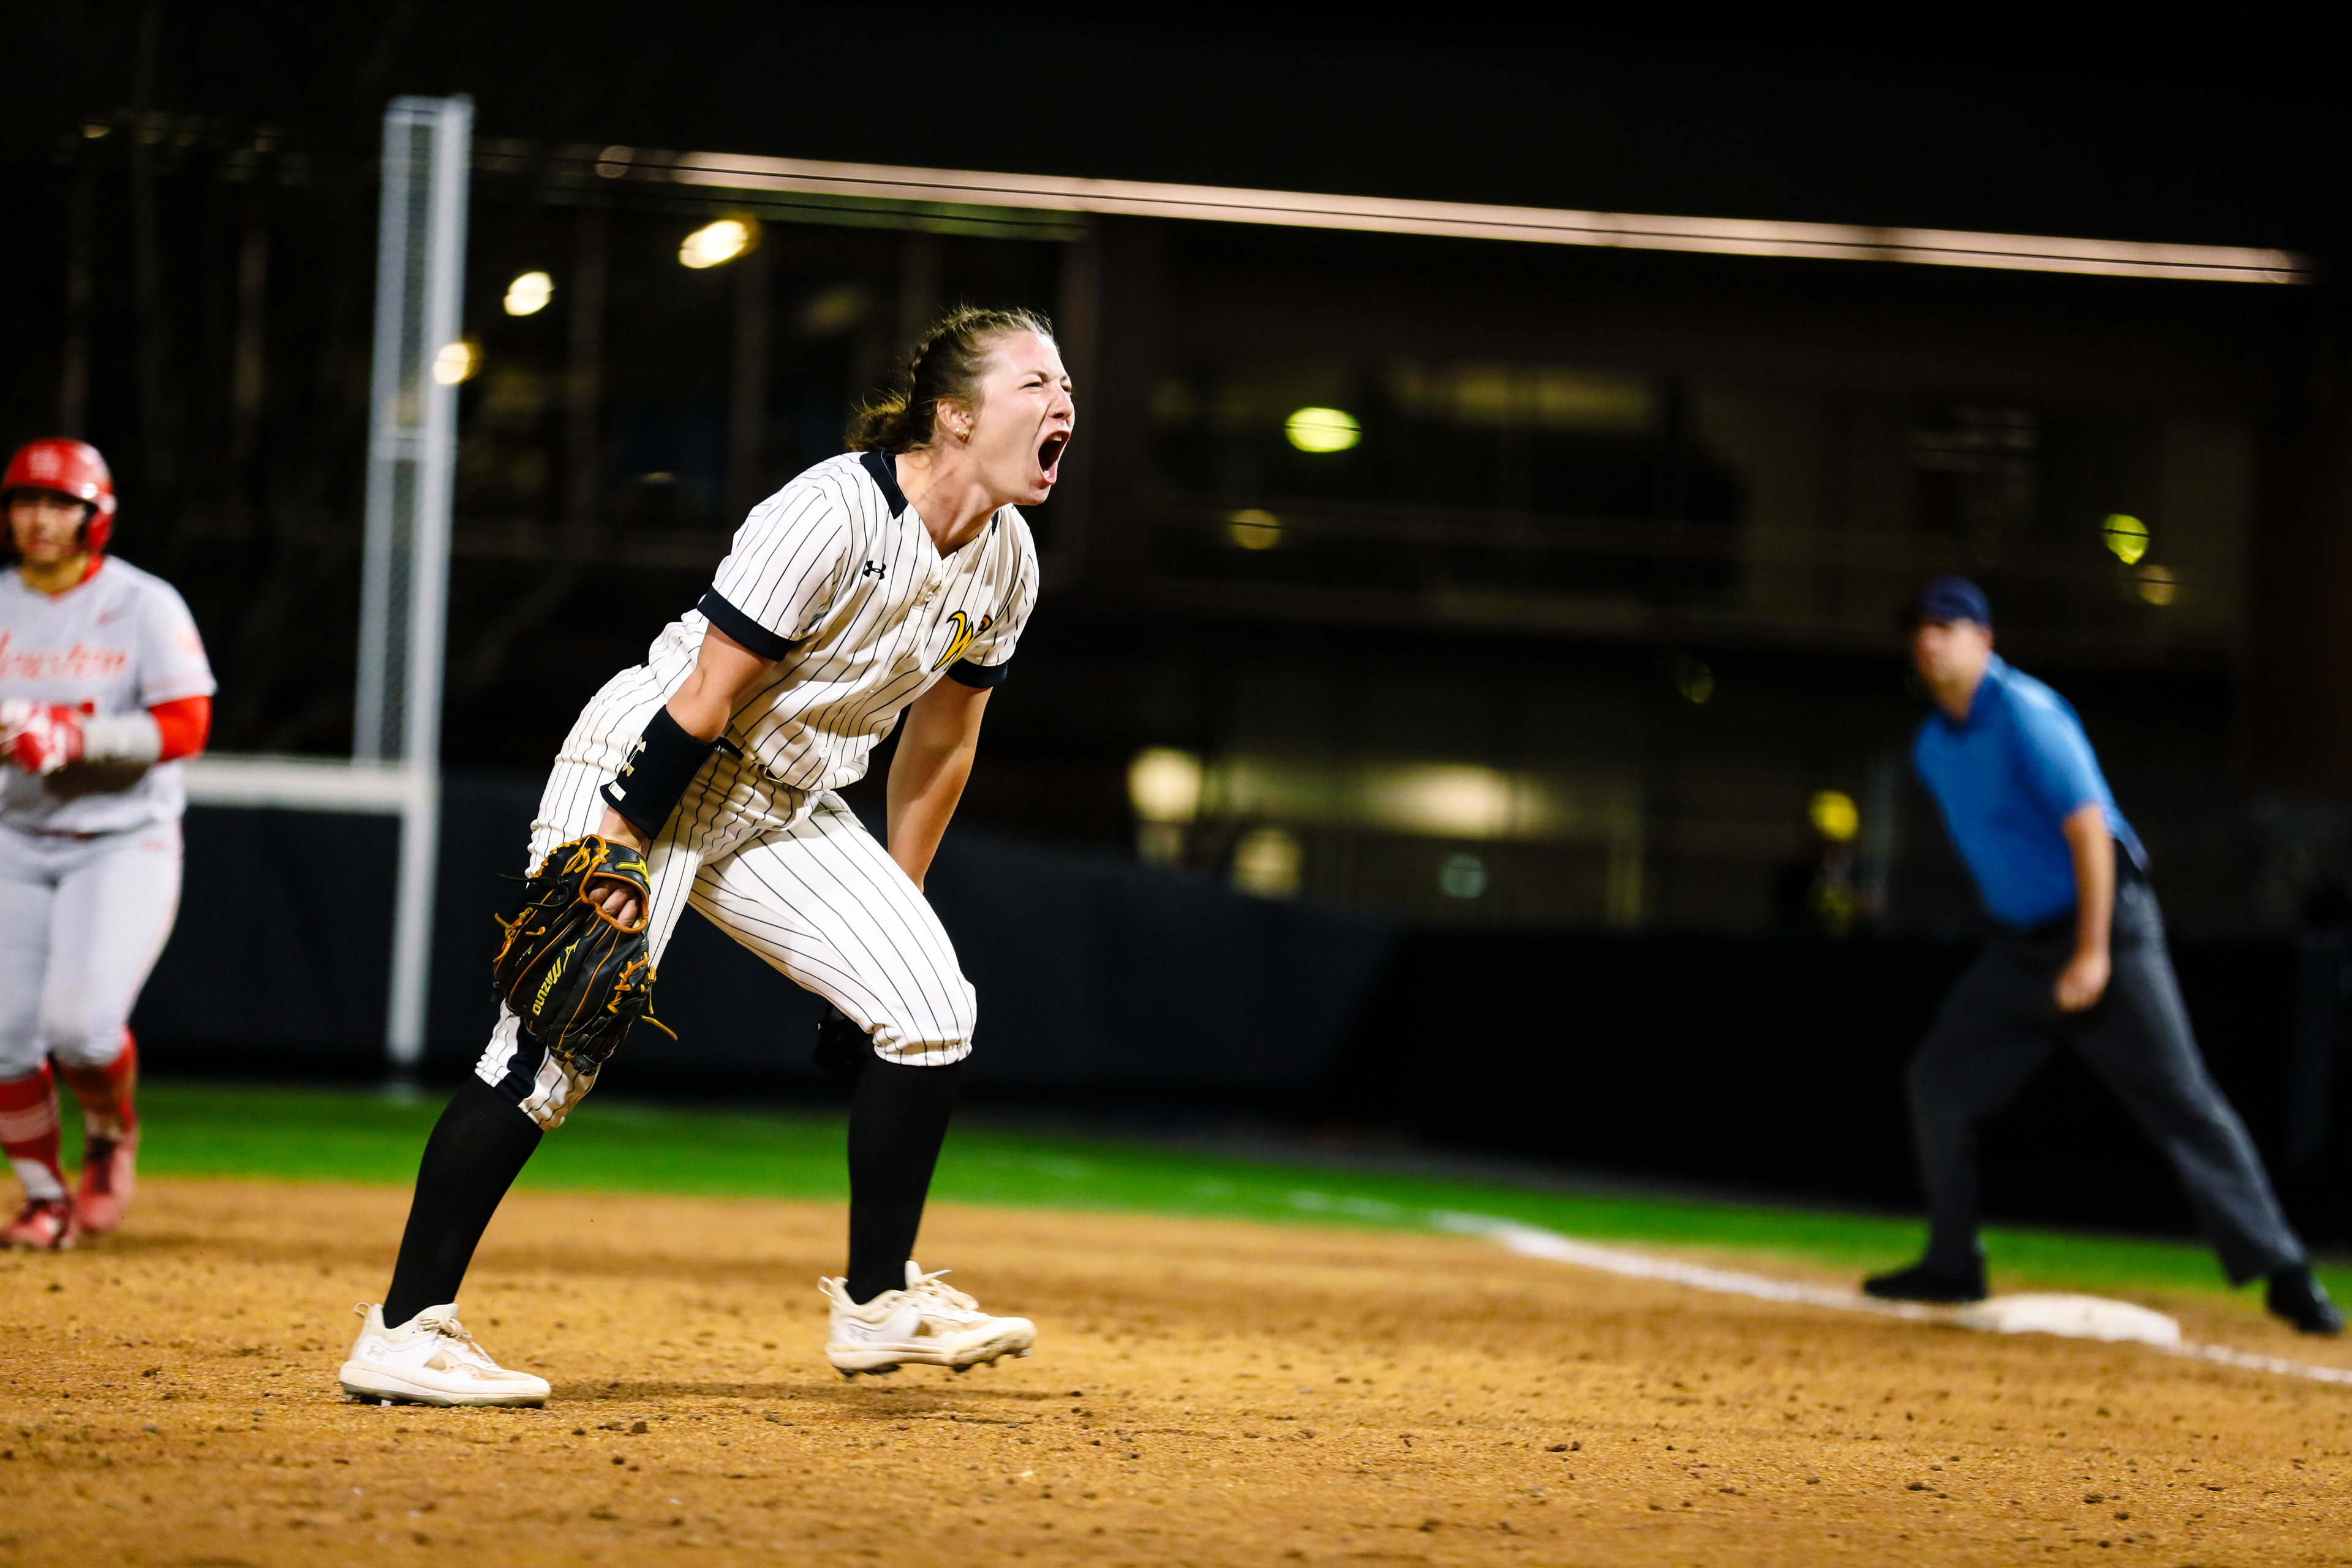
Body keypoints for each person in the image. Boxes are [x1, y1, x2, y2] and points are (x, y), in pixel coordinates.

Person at [337, 306, 1072, 1406]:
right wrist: (620, 849)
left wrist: (898, 902)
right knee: (554, 1046)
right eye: (1037, 384)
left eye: (1067, 388)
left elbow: (942, 742)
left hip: (787, 799)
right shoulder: (833, 512)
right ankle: (403, 1328)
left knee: (929, 1007)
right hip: (653, 765)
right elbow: (705, 694)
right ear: (956, 416)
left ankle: (879, 1303)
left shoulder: (1007, 560)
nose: (1064, 404)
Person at [1864, 576, 2342, 1334]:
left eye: (1946, 627)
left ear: (1984, 640)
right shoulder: (1933, 746)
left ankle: (2286, 1274)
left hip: (2106, 930)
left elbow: (2090, 830)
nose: (1929, 641)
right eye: (1919, 628)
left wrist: (2091, 953)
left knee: (2182, 1098)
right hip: (2021, 951)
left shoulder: (2028, 714)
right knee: (1938, 1082)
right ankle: (1953, 1262)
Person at [0, 438, 214, 1250]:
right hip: (15, 834)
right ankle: (41, 1197)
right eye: (26, 500)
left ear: (97, 516)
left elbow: (188, 724)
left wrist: (75, 736)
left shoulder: (142, 603)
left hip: (121, 838)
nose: (40, 518)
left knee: (84, 1030)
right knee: (4, 1037)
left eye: (61, 503)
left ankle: (108, 1131)